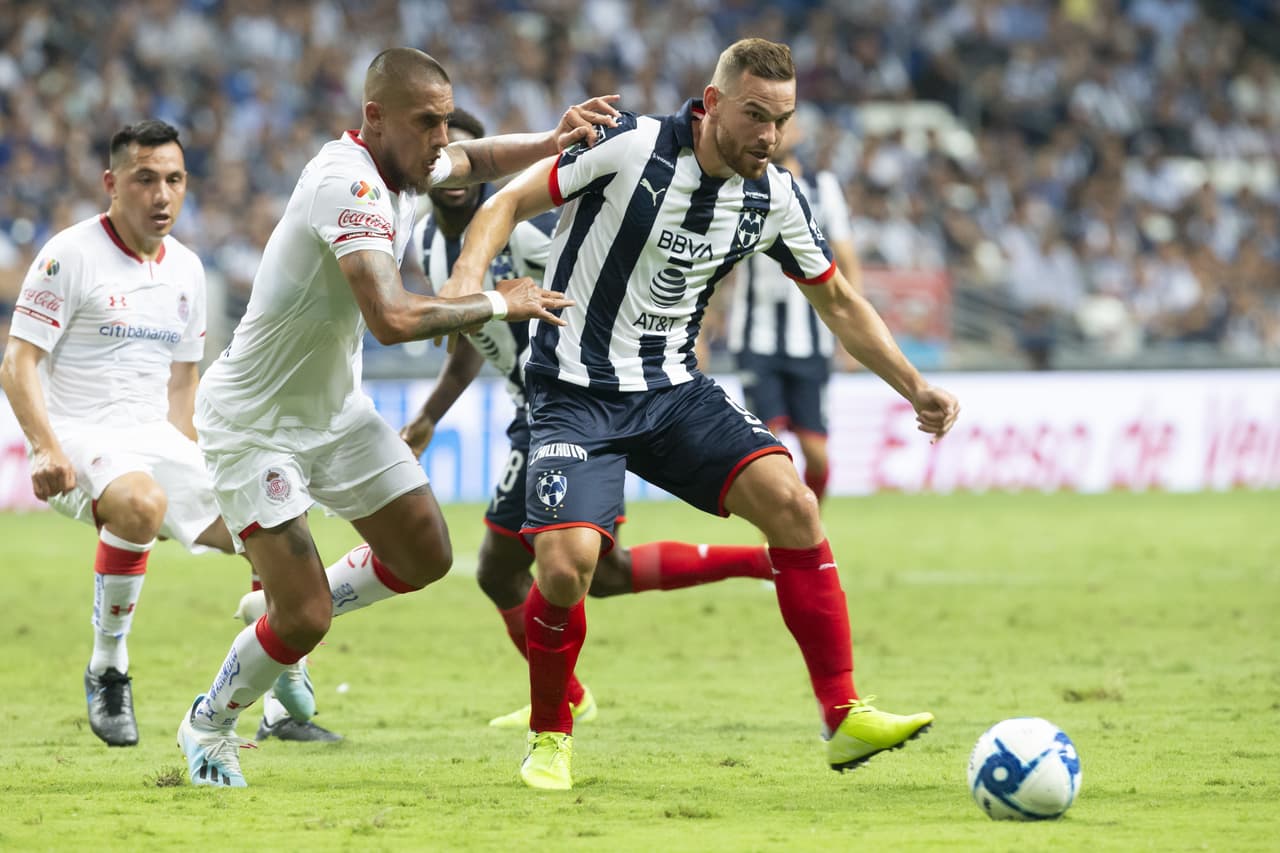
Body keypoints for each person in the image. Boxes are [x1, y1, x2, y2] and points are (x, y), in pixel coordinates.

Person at [439, 38, 960, 790]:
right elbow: (509, 201)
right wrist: (468, 283)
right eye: (755, 115)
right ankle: (551, 734)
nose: (768, 136)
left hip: (675, 393)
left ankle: (842, 714)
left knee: (793, 503)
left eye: (781, 120)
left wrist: (914, 386)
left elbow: (839, 301)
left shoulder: (773, 195)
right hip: (575, 393)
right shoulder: (632, 146)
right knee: (565, 567)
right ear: (713, 104)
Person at [173, 47, 610, 788]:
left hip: (334, 413)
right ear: (374, 118)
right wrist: (503, 298)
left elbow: (472, 158)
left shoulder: (411, 162)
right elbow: (392, 317)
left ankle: (270, 606)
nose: (441, 138)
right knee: (306, 618)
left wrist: (551, 140)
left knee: (426, 553)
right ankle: (208, 722)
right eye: (426, 123)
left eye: (445, 120)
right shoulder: (347, 185)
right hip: (254, 422)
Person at [397, 109, 776, 730]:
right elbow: (471, 335)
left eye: (465, 155)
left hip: (575, 399)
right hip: (539, 409)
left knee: (510, 570)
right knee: (584, 573)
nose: (454, 170)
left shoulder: (522, 233)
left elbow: (599, 273)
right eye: (443, 157)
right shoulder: (434, 244)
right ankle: (752, 566)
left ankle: (567, 698)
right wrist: (430, 416)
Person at [0, 120, 334, 748]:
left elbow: (184, 381)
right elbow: (16, 363)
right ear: (112, 183)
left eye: (174, 180)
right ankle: (108, 667)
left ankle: (283, 697)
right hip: (78, 436)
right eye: (145, 179)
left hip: (154, 438)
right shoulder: (68, 254)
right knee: (142, 501)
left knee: (274, 513)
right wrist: (44, 447)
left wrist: (188, 456)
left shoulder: (186, 268)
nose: (161, 195)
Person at [723, 142, 861, 505]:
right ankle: (780, 537)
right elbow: (719, 266)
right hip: (756, 339)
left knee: (816, 453)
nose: (772, 130)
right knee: (766, 450)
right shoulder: (738, 181)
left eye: (782, 120)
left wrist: (852, 335)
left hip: (810, 341)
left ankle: (808, 524)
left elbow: (846, 258)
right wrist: (703, 333)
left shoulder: (823, 187)